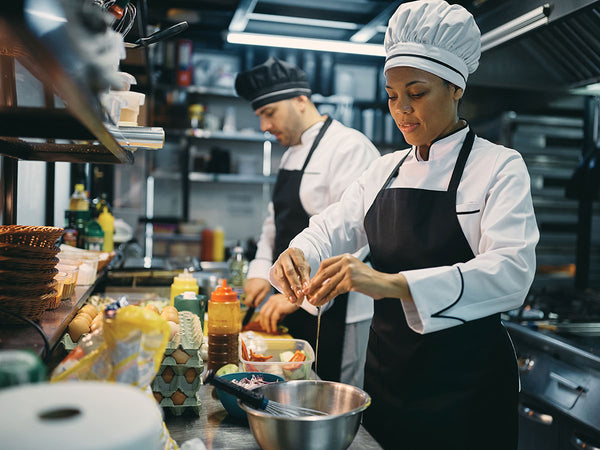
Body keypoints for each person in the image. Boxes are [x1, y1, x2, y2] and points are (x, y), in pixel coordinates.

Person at [268, 1, 540, 449]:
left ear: (455, 88)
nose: (402, 110)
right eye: (393, 96)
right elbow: (331, 226)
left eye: (417, 93)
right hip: (390, 376)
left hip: (466, 384)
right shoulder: (384, 169)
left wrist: (392, 284)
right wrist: (298, 254)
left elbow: (511, 273)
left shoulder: (499, 166)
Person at [234, 57, 380, 387]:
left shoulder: (349, 147)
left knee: (328, 393)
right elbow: (275, 224)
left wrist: (296, 297)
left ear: (301, 100)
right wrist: (259, 272)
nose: (264, 127)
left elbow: (359, 241)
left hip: (339, 309)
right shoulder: (289, 154)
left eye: (269, 113)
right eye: (260, 116)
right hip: (291, 302)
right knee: (293, 389)